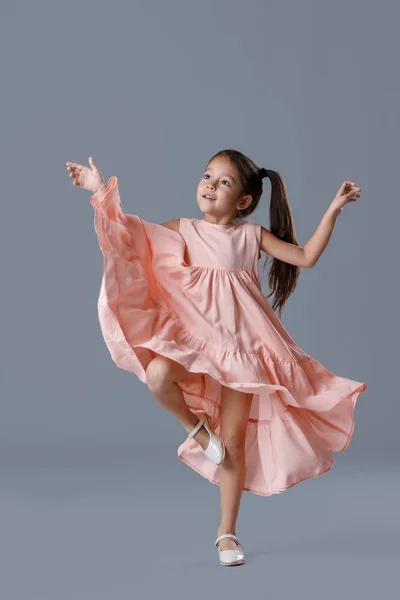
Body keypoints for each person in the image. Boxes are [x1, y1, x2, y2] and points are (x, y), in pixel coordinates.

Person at [66, 149, 367, 567]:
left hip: (243, 349)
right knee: (157, 377)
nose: (209, 185)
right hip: (199, 345)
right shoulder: (184, 230)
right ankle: (196, 430)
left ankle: (227, 533)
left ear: (243, 201)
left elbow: (305, 257)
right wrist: (100, 191)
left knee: (234, 445)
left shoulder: (251, 237)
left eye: (223, 182)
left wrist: (333, 209)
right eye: (207, 176)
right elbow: (127, 236)